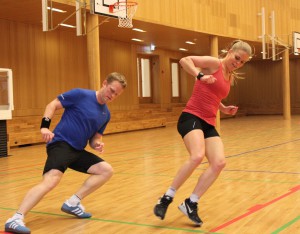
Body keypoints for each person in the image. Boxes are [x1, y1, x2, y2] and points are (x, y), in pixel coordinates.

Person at [5, 72, 127, 234]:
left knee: (106, 170)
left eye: (117, 94)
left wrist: (97, 144)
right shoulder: (80, 94)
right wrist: (44, 127)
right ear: (104, 83)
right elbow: (52, 105)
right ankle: (15, 218)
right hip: (61, 144)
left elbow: (95, 138)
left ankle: (72, 202)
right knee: (51, 181)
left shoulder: (106, 114)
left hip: (77, 150)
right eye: (112, 90)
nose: (113, 96)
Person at [154, 40, 252, 226]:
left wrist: (223, 109)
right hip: (191, 117)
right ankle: (166, 198)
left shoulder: (230, 75)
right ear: (230, 52)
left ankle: (191, 202)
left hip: (208, 122)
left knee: (219, 163)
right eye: (237, 58)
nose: (238, 63)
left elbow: (213, 95)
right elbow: (185, 60)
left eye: (242, 62)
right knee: (197, 156)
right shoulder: (215, 63)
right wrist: (199, 75)